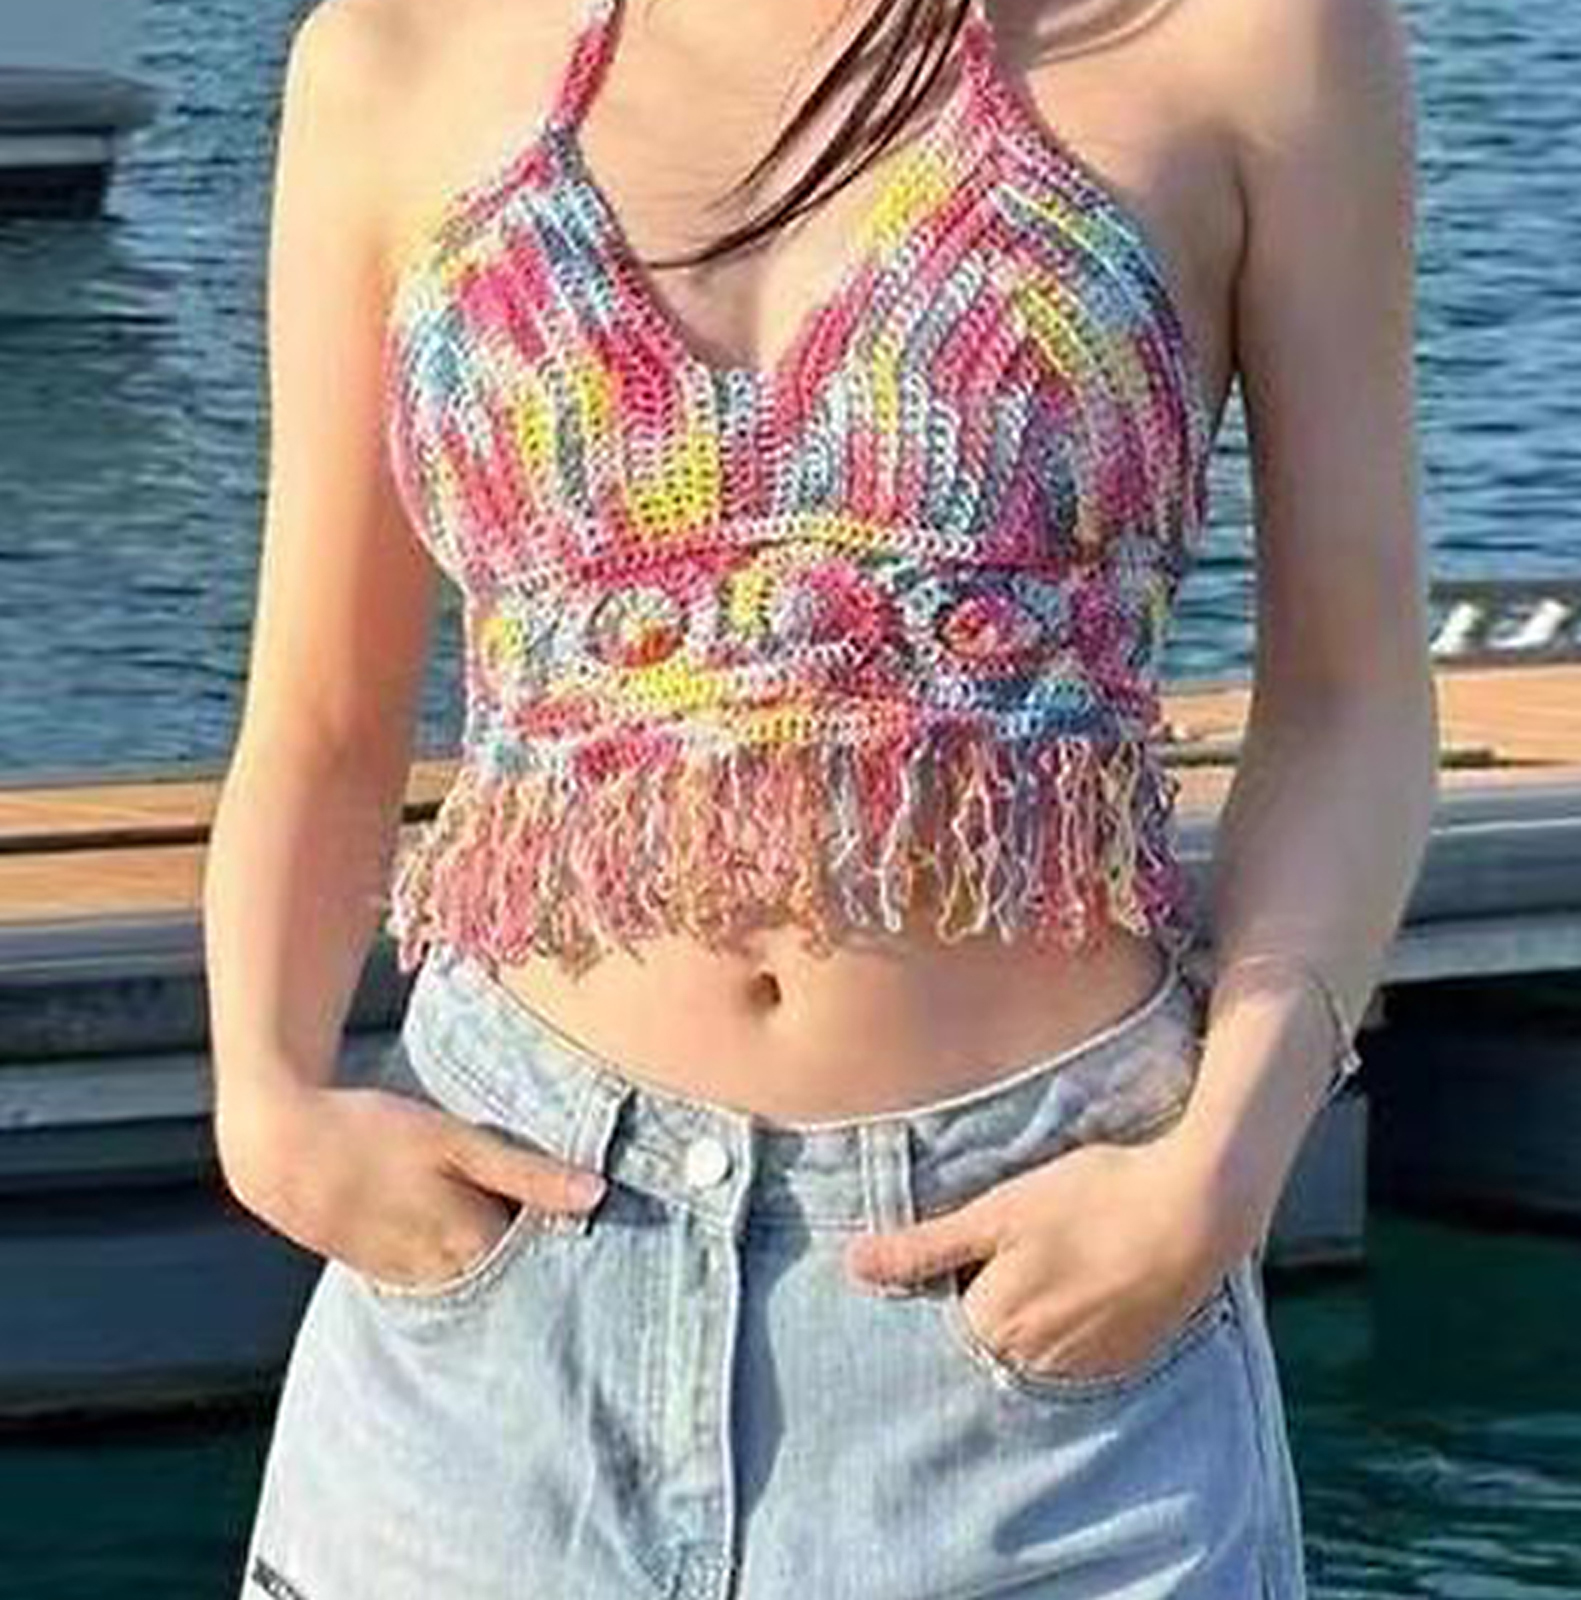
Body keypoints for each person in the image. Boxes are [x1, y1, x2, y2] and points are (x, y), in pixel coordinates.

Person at [204, 0, 1437, 1593]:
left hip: (1028, 1303)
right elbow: (321, 718)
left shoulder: (1247, 39)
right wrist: (266, 1107)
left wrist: (1224, 1172)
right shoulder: (397, 55)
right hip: (505, 1283)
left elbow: (1349, 697)